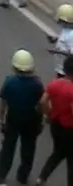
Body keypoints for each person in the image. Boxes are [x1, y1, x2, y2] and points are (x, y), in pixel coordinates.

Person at [0, 49, 44, 186]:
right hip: (31, 120)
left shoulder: (9, 82)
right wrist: (42, 120)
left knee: (8, 148)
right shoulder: (37, 84)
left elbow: (3, 103)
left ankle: (1, 174)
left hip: (13, 118)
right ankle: (23, 176)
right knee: (28, 150)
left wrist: (1, 120)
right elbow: (41, 104)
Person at [35, 55, 73, 185]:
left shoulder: (55, 83)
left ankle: (42, 178)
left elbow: (43, 101)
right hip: (69, 128)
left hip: (55, 124)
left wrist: (48, 114)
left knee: (58, 152)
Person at [46, 4, 73, 78]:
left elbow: (71, 55)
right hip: (61, 68)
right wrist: (56, 39)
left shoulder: (72, 35)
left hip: (66, 72)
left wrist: (56, 52)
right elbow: (65, 40)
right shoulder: (66, 29)